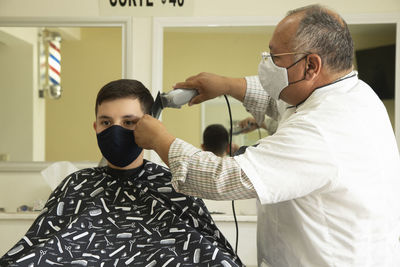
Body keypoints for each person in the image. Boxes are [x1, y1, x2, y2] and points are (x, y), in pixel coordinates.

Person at [134, 4, 400, 267]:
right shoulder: (353, 93)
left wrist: (160, 140)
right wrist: (227, 85)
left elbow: (223, 178)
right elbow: (282, 102)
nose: (267, 65)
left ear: (311, 66)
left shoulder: (322, 129)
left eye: (276, 57)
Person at [0, 79, 243, 266]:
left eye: (129, 122)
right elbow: (37, 249)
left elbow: (210, 251)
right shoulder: (76, 184)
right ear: (96, 127)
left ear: (149, 124)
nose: (116, 131)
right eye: (106, 123)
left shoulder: (174, 182)